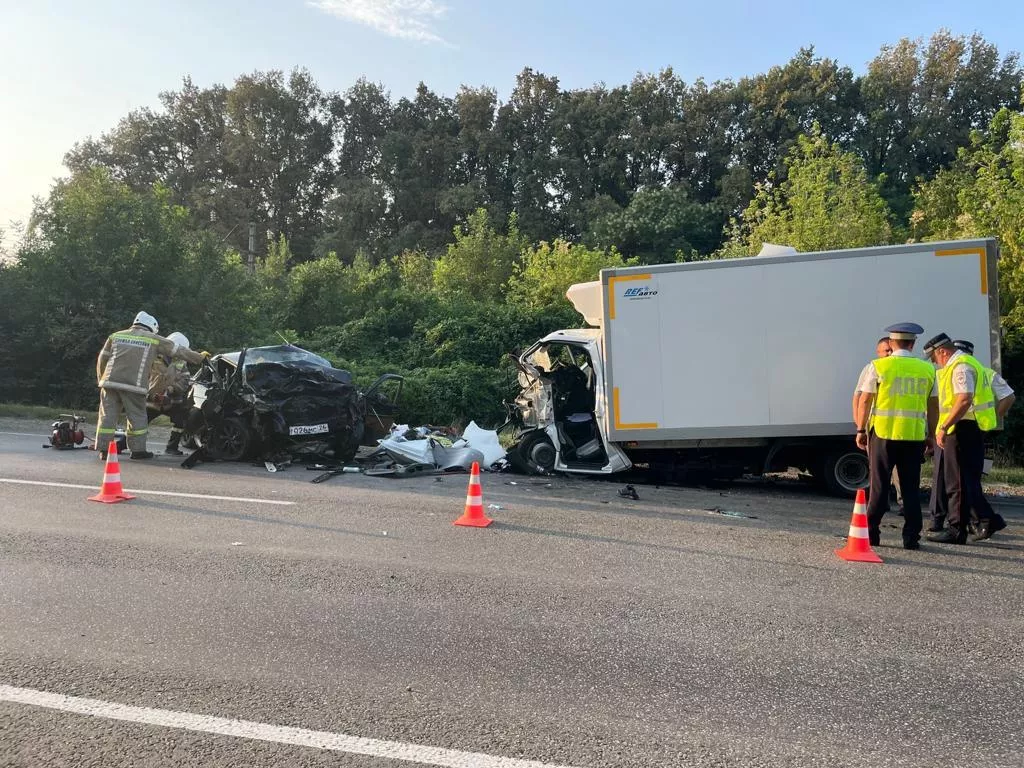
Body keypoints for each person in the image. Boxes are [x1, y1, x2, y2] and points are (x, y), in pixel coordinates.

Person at [853, 322, 938, 550]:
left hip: (883, 434)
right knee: (910, 488)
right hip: (913, 437)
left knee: (879, 486)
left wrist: (861, 429)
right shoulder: (928, 369)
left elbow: (865, 400)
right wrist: (931, 435)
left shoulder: (878, 366)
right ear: (913, 343)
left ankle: (871, 534)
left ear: (891, 343)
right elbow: (933, 406)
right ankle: (911, 538)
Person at [922, 333, 1006, 543]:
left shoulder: (960, 365)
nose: (935, 362)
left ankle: (956, 530)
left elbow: (963, 400)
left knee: (956, 482)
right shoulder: (965, 364)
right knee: (966, 480)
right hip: (966, 428)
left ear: (942, 351)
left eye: (934, 358)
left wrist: (943, 427)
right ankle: (988, 519)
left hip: (961, 429)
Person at [96, 312, 206, 460]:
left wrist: (102, 380)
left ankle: (104, 451)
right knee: (137, 418)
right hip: (134, 386)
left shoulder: (115, 336)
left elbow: (102, 359)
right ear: (152, 327)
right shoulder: (153, 339)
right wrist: (200, 358)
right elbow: (178, 350)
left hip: (110, 382)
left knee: (107, 418)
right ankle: (137, 451)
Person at [852, 337, 903, 512]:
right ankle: (881, 502)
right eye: (886, 351)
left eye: (891, 350)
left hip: (901, 425)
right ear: (878, 352)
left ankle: (901, 501)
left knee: (899, 469)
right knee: (877, 467)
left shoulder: (902, 367)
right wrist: (860, 424)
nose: (889, 353)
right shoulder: (872, 368)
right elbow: (859, 397)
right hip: (877, 426)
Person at [147, 331, 197, 456]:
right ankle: (124, 443)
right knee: (139, 422)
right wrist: (153, 394)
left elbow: (185, 381)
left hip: (173, 400)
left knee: (180, 421)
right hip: (152, 399)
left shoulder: (182, 362)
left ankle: (172, 447)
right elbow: (145, 376)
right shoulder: (153, 357)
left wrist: (171, 389)